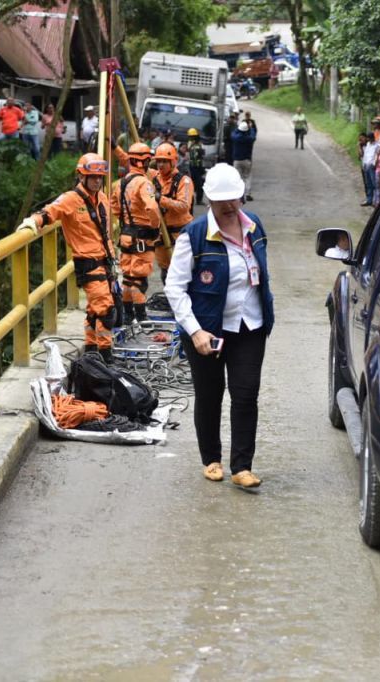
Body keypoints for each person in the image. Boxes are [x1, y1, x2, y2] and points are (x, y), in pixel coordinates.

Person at [163, 163, 275, 489]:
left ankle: (242, 467)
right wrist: (195, 331)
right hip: (207, 331)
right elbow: (174, 288)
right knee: (210, 395)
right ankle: (211, 459)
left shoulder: (255, 226)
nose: (229, 206)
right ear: (209, 200)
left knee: (246, 394)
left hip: (249, 325)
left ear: (241, 196)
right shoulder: (194, 236)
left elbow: (260, 275)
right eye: (221, 200)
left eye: (234, 199)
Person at [18, 154, 118, 363]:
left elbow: (106, 232)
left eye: (100, 177)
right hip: (88, 263)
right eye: (93, 177)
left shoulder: (102, 198)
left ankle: (91, 350)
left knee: (94, 311)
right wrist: (33, 222)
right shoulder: (70, 199)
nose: (97, 181)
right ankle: (106, 355)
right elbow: (49, 212)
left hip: (104, 262)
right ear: (82, 176)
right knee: (106, 310)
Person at [111, 142, 161, 323]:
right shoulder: (143, 183)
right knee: (139, 280)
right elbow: (152, 208)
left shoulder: (121, 183)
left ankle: (127, 316)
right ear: (145, 161)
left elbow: (115, 209)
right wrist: (155, 228)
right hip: (142, 237)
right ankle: (141, 317)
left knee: (128, 278)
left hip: (125, 235)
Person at [151, 142, 195, 281]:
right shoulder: (153, 178)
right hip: (162, 235)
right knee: (165, 271)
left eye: (164, 161)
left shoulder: (184, 181)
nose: (161, 165)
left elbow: (184, 206)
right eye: (158, 161)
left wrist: (161, 199)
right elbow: (134, 165)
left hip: (180, 234)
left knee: (182, 272)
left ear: (173, 162)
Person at [231, 120, 257, 202]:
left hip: (237, 160)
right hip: (246, 159)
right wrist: (251, 128)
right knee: (247, 176)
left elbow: (233, 133)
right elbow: (253, 135)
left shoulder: (235, 138)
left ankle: (239, 194)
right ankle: (247, 194)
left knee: (239, 177)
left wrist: (238, 128)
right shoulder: (249, 139)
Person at [187, 128, 206, 205]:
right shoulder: (191, 144)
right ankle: (193, 200)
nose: (191, 138)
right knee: (194, 184)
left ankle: (198, 200)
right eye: (190, 136)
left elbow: (203, 154)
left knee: (199, 184)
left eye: (192, 136)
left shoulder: (199, 144)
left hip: (198, 167)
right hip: (193, 167)